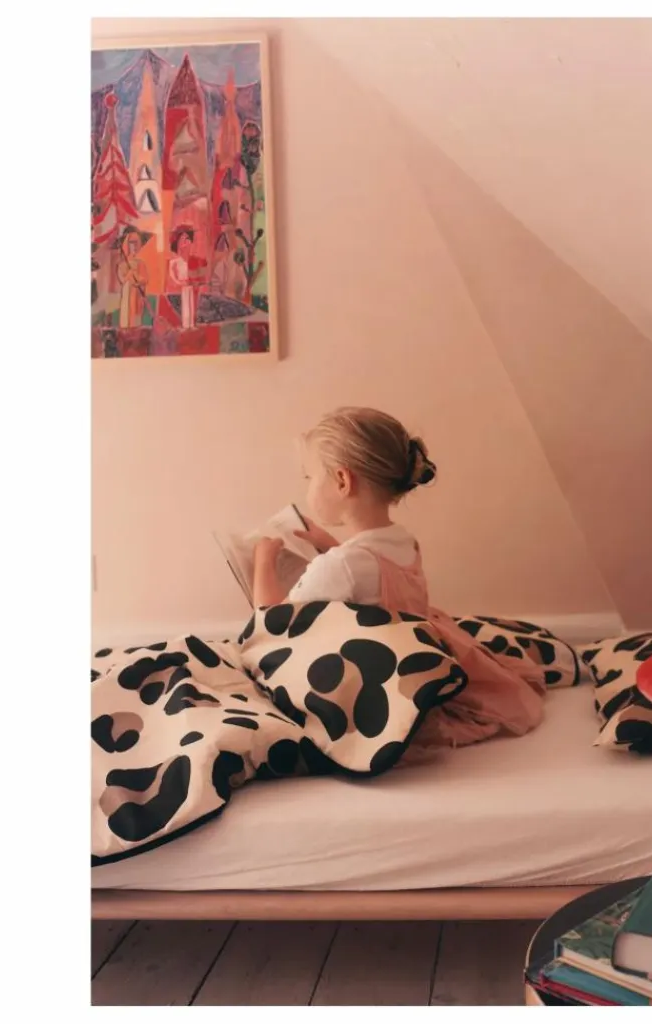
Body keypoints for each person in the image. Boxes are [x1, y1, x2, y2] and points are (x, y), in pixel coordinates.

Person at [253, 407, 546, 753]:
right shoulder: (401, 540)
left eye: (310, 477)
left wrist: (262, 561)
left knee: (265, 666)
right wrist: (328, 544)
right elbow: (365, 573)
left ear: (343, 481)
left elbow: (271, 623)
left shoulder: (341, 566)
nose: (307, 488)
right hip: (416, 657)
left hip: (380, 682)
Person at [116, 229, 148, 328]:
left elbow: (145, 279)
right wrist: (129, 274)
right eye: (131, 243)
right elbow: (122, 280)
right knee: (126, 321)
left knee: (136, 321)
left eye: (136, 243)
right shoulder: (122, 264)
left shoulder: (141, 263)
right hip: (127, 295)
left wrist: (137, 278)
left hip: (137, 297)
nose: (134, 246)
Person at [168, 226, 196, 329]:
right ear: (177, 242)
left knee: (191, 304)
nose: (185, 242)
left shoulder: (191, 261)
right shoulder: (174, 262)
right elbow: (172, 276)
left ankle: (191, 324)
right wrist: (180, 283)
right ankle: (185, 325)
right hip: (181, 286)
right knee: (185, 305)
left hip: (190, 285)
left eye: (187, 238)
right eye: (182, 239)